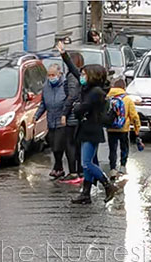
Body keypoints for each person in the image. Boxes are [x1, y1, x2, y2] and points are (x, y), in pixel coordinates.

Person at [57, 41, 119, 204]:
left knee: (86, 163)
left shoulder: (96, 92)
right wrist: (64, 54)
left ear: (93, 76)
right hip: (86, 128)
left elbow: (82, 108)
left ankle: (107, 185)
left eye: (85, 74)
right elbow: (74, 69)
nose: (82, 76)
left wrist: (76, 107)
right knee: (89, 162)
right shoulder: (89, 87)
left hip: (92, 130)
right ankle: (86, 193)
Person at [36, 63, 72, 179]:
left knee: (58, 145)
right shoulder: (46, 86)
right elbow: (43, 103)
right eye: (49, 75)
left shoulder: (65, 85)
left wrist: (65, 114)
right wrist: (36, 116)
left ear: (59, 74)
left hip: (62, 120)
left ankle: (58, 166)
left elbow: (69, 101)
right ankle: (58, 167)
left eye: (53, 75)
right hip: (51, 120)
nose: (51, 77)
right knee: (53, 145)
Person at [106, 77, 141, 177]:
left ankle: (113, 168)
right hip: (123, 128)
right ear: (124, 87)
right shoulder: (127, 99)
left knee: (112, 149)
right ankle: (122, 167)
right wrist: (137, 129)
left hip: (111, 128)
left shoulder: (108, 98)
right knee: (124, 148)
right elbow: (134, 116)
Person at [60, 51, 85, 182]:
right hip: (80, 114)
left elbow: (72, 95)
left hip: (72, 114)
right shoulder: (82, 76)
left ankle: (73, 171)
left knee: (70, 144)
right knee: (79, 144)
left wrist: (65, 113)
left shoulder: (72, 76)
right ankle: (80, 170)